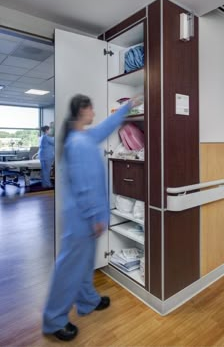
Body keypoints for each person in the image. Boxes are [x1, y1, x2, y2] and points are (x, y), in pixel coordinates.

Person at [42, 94, 139, 342]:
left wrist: (128, 107)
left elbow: (106, 127)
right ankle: (54, 320)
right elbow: (86, 187)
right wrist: (95, 217)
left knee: (84, 263)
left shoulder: (83, 137)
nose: (94, 113)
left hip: (84, 216)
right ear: (83, 110)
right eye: (92, 109)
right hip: (82, 218)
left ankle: (88, 300)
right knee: (69, 268)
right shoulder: (79, 144)